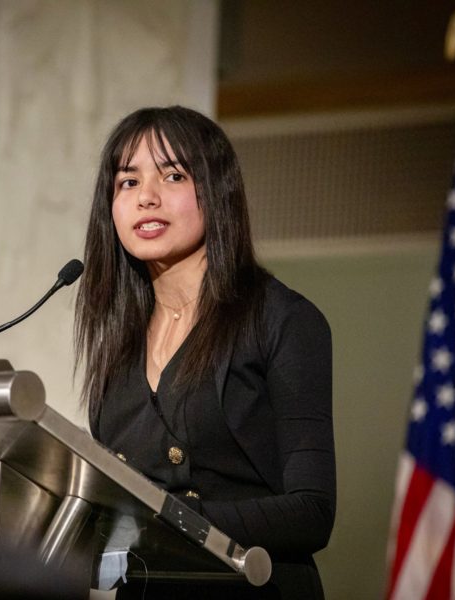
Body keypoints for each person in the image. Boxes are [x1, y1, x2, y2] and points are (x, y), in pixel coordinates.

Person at [74, 106, 335, 599]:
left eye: (172, 175)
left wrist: (163, 516)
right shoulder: (120, 337)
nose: (146, 197)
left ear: (217, 193)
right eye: (128, 182)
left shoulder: (283, 320)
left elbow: (313, 511)